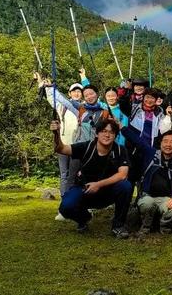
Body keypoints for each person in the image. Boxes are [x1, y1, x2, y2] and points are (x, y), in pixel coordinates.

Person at [51, 118, 132, 239]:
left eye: (111, 132)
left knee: (126, 186)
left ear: (115, 135)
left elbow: (122, 174)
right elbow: (61, 149)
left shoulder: (120, 150)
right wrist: (56, 134)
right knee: (65, 208)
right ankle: (83, 218)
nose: (107, 135)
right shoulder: (87, 146)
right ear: (97, 133)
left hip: (107, 192)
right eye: (104, 131)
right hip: (84, 190)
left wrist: (98, 184)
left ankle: (118, 226)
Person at [121, 125, 172, 235]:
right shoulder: (151, 154)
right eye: (165, 141)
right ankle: (146, 225)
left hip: (166, 198)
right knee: (147, 204)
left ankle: (164, 225)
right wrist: (121, 127)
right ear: (160, 143)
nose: (168, 145)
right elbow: (138, 141)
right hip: (148, 196)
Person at [35, 72, 83, 219]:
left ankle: (79, 204)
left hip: (78, 147)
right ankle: (64, 207)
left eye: (79, 91)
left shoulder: (84, 108)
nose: (76, 93)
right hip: (63, 145)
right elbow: (51, 98)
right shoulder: (63, 107)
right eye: (74, 91)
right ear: (69, 93)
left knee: (77, 176)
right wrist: (42, 83)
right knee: (64, 175)